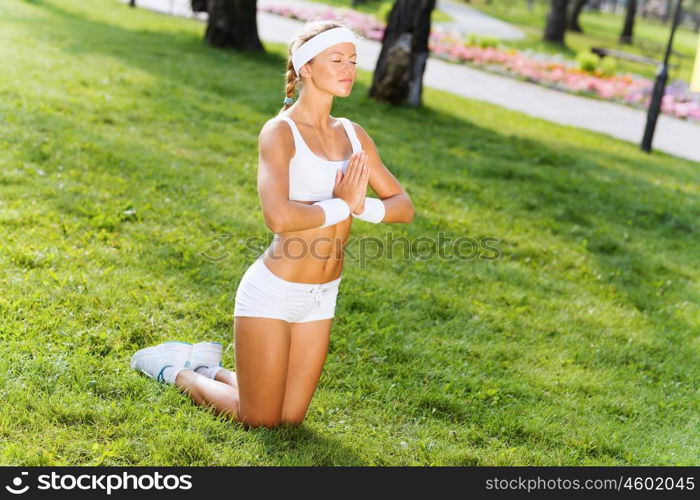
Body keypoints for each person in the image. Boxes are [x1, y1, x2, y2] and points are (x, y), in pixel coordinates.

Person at [130, 20, 415, 428]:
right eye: (336, 59)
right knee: (259, 420)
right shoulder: (280, 132)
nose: (348, 69)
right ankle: (176, 369)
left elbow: (403, 205)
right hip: (274, 292)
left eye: (352, 60)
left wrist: (358, 207)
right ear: (306, 69)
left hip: (322, 296)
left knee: (289, 418)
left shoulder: (354, 135)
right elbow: (278, 217)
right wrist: (340, 205)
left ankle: (210, 368)